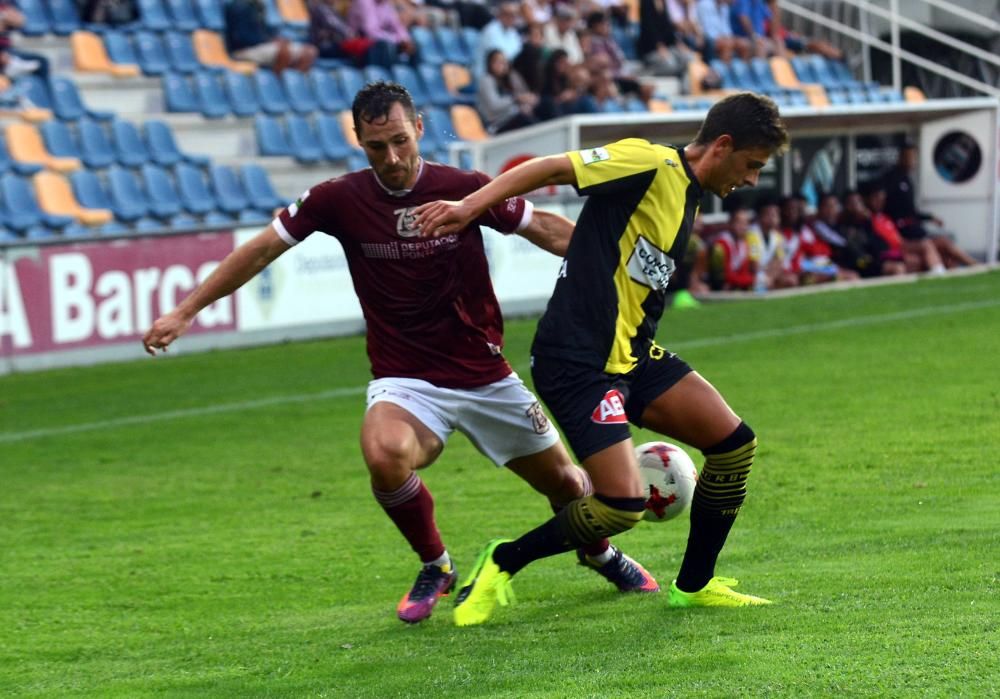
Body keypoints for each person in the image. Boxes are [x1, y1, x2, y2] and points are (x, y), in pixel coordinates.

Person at [142, 82, 657, 626]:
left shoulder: (462, 187)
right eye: (375, 147)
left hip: (485, 375)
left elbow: (545, 228)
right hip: (406, 379)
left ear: (418, 127)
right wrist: (186, 310)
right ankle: (436, 565)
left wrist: (621, 266)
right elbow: (262, 248)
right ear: (359, 141)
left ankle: (599, 552)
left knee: (571, 487)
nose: (390, 157)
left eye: (399, 141)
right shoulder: (337, 199)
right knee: (384, 453)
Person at [415, 91, 789, 625]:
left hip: (634, 355)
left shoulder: (690, 193)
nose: (752, 179)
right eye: (751, 165)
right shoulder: (650, 162)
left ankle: (694, 585)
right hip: (577, 363)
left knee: (734, 447)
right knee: (621, 506)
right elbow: (551, 167)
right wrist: (468, 208)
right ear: (722, 145)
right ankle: (502, 560)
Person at [880, 140, 978, 269]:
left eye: (913, 157)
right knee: (939, 245)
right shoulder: (891, 178)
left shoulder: (907, 180)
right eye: (908, 157)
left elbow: (911, 211)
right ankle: (974, 268)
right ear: (901, 158)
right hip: (903, 235)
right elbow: (892, 211)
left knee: (945, 246)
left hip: (915, 230)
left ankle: (975, 267)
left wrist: (930, 217)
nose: (911, 161)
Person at [224, 0, 317, 73]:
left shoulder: (257, 6)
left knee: (309, 52)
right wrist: (269, 40)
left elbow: (264, 31)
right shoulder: (238, 7)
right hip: (243, 50)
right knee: (283, 51)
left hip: (261, 45)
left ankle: (292, 86)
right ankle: (278, 83)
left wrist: (276, 39)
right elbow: (241, 38)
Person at [477, 49, 539, 133]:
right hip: (497, 125)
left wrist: (528, 103)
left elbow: (523, 95)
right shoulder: (486, 80)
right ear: (491, 64)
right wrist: (516, 99)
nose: (504, 65)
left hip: (513, 117)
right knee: (525, 119)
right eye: (500, 62)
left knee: (542, 107)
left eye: (505, 62)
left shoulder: (508, 78)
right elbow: (494, 106)